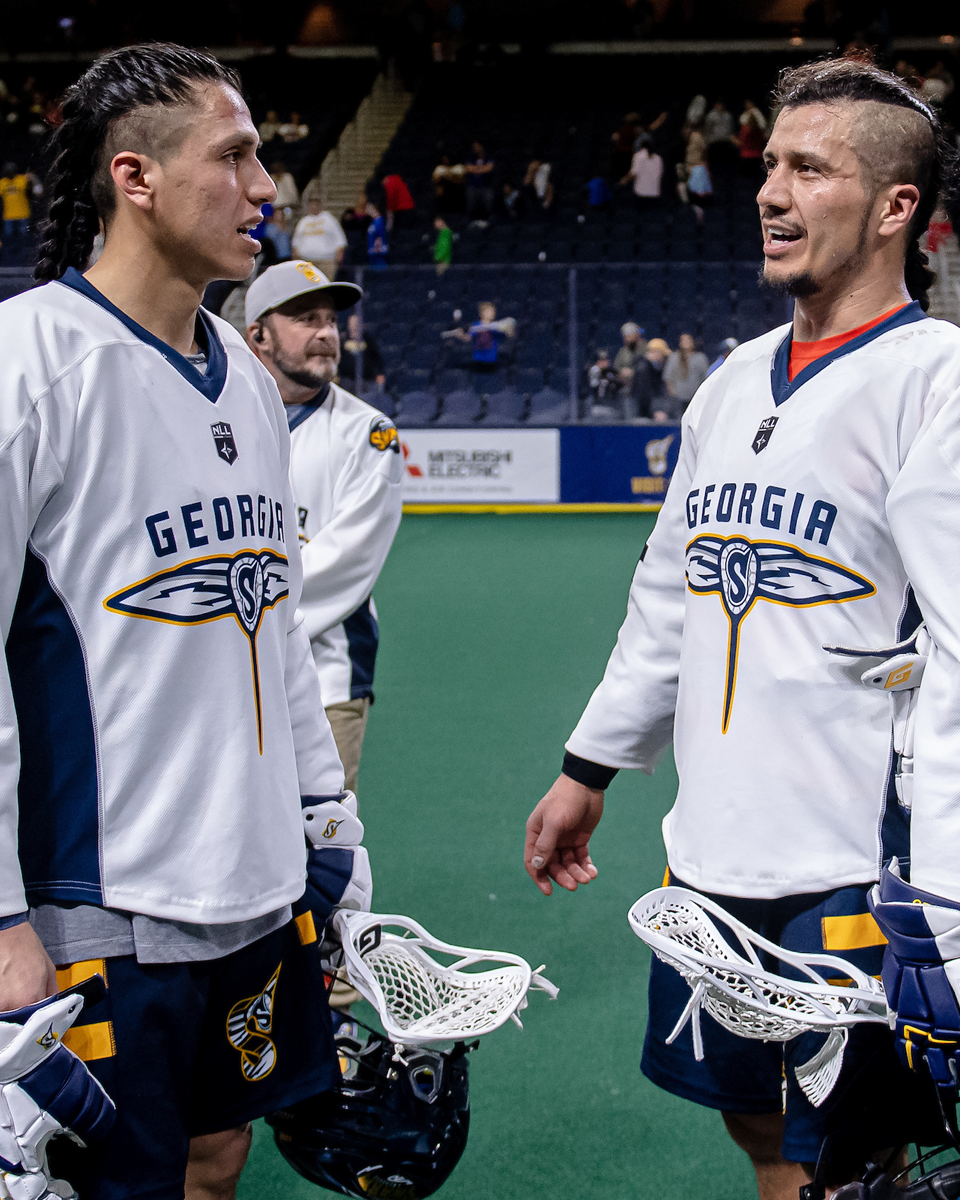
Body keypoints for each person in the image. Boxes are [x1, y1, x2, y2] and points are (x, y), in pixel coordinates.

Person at [524, 56, 959, 1199]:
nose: (769, 191)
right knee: (757, 1129)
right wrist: (589, 766)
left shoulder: (938, 382)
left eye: (810, 169)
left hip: (857, 864)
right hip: (711, 851)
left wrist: (950, 893)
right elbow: (670, 592)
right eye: (770, 164)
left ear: (894, 208)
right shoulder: (730, 382)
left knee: (851, 1158)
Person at [3, 42, 370, 1200]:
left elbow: (274, 621)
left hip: (254, 887)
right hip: (101, 906)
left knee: (218, 1156)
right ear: (137, 177)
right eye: (236, 156)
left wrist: (327, 818)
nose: (268, 188)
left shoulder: (247, 379)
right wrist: (2, 922)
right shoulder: (30, 361)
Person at [245, 261, 401, 802]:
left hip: (326, 675)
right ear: (259, 335)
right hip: (229, 675)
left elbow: (346, 560)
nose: (326, 333)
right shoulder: (221, 423)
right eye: (306, 318)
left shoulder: (370, 434)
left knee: (322, 841)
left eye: (330, 320)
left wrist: (237, 613)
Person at [450, 301, 515, 375]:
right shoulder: (475, 325)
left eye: (493, 311)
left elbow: (509, 335)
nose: (492, 313)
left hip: (491, 361)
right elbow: (467, 338)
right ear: (482, 313)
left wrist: (510, 329)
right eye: (489, 311)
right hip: (478, 360)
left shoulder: (496, 326)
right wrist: (460, 334)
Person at [291, 197, 347, 279]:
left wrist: (339, 254)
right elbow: (296, 240)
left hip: (326, 261)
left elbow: (339, 239)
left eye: (316, 205)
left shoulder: (329, 219)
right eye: (312, 205)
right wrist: (296, 257)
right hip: (307, 260)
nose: (314, 207)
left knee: (326, 283)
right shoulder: (304, 221)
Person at [661, 332, 709, 418]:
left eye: (688, 340)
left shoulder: (700, 358)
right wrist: (672, 394)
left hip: (695, 397)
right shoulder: (674, 357)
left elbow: (704, 378)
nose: (686, 343)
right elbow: (668, 378)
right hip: (678, 398)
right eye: (683, 340)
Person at [340, 311, 387, 388]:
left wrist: (380, 373)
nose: (353, 327)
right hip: (346, 381)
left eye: (356, 325)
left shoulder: (368, 340)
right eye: (351, 324)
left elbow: (376, 359)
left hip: (366, 380)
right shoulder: (342, 340)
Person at [0, 162, 34, 246]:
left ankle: (24, 251)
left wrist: (32, 179)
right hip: (8, 215)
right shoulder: (2, 182)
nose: (10, 173)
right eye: (8, 171)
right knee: (8, 238)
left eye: (11, 171)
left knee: (24, 237)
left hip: (23, 214)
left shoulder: (22, 179)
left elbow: (33, 191)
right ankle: (10, 252)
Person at [621, 144, 663, 209]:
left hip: (641, 194)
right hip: (654, 193)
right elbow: (660, 174)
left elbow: (634, 172)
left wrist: (625, 180)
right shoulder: (659, 158)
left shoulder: (638, 156)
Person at [464, 141, 495, 224]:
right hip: (473, 186)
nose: (475, 148)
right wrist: (482, 169)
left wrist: (475, 169)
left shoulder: (488, 158)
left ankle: (490, 219)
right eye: (474, 147)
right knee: (470, 199)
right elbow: (467, 168)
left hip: (486, 186)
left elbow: (489, 168)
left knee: (489, 200)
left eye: (477, 146)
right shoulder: (470, 159)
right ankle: (469, 220)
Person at [704, 99, 737, 170]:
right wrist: (707, 142)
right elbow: (708, 130)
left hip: (726, 142)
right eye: (718, 104)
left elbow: (731, 129)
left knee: (725, 164)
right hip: (714, 143)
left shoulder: (728, 116)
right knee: (715, 164)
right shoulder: (711, 116)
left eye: (721, 104)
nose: (720, 106)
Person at [587, 349, 618, 413]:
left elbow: (614, 384)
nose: (604, 362)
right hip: (595, 403)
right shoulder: (594, 370)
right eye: (602, 360)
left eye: (605, 360)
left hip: (609, 403)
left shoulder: (610, 371)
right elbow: (593, 384)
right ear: (598, 362)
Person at [366, 197, 389, 268]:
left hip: (378, 251)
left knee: (379, 268)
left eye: (368, 208)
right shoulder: (373, 221)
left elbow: (379, 234)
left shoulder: (379, 220)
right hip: (372, 250)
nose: (367, 210)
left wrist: (377, 247)